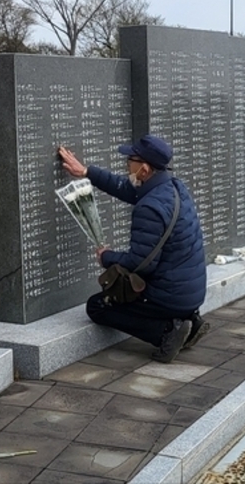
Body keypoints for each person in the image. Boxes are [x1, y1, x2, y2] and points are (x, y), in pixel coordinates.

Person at [58, 134, 209, 363]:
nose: (127, 165)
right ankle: (190, 321)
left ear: (144, 169)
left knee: (97, 307)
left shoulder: (149, 207)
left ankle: (167, 332)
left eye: (130, 161)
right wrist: (87, 172)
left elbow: (141, 264)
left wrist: (106, 257)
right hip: (190, 293)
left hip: (170, 295)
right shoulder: (174, 187)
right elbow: (125, 189)